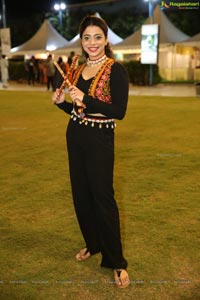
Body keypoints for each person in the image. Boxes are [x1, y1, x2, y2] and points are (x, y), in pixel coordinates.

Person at [52, 15, 130, 288]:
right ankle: (93, 243)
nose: (92, 42)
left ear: (106, 39)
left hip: (100, 138)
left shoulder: (115, 69)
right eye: (87, 38)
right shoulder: (80, 69)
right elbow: (78, 109)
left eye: (98, 37)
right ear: (81, 42)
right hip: (75, 134)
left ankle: (116, 262)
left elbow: (119, 111)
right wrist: (62, 103)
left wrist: (85, 98)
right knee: (81, 195)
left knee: (102, 198)